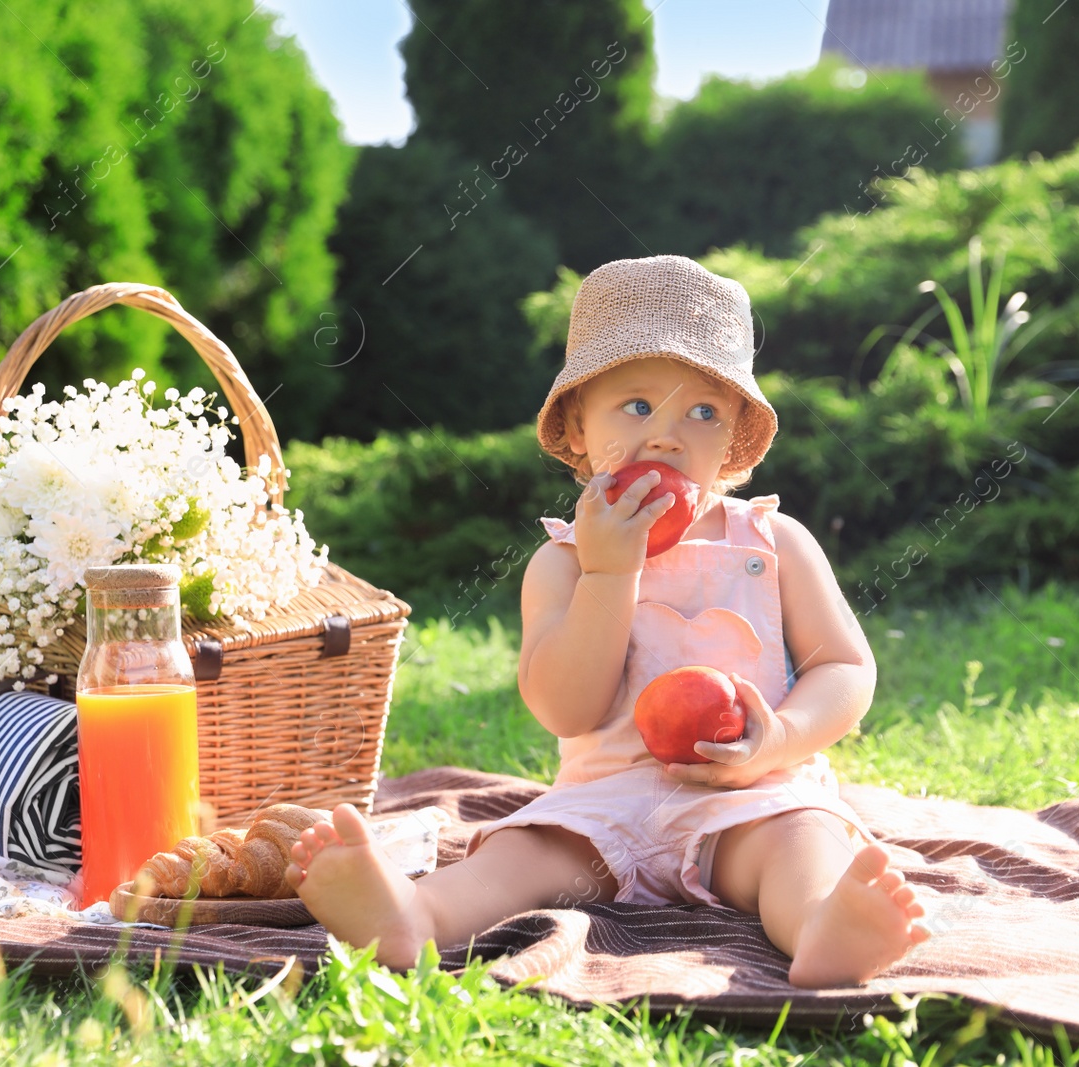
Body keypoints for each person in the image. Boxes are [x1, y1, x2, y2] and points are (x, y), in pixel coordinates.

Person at [284, 254, 929, 988]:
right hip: (603, 811)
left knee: (800, 841)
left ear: (734, 438)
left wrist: (775, 739)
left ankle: (824, 927)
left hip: (746, 796)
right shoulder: (562, 563)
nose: (667, 435)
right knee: (521, 856)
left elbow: (844, 667)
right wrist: (609, 572)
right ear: (579, 429)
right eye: (636, 405)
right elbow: (567, 705)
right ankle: (413, 914)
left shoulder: (773, 544)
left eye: (703, 411)